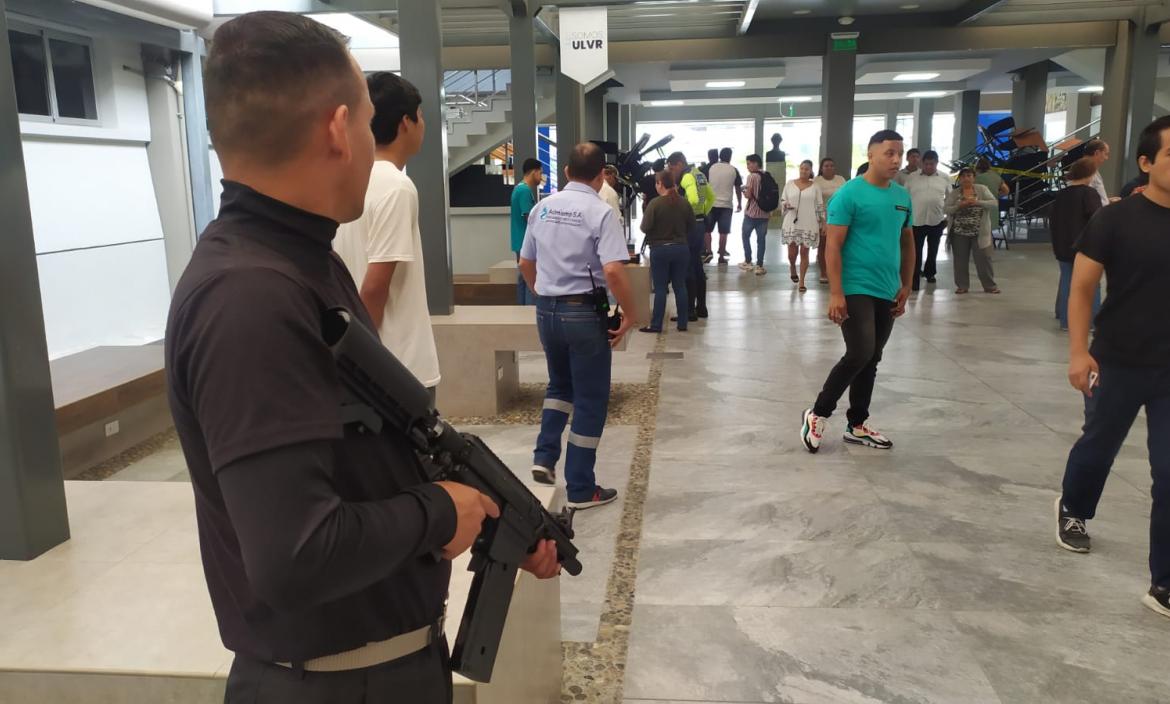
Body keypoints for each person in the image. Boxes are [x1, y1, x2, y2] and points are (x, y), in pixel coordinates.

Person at [165, 13, 559, 703]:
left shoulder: (298, 261)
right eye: (368, 119)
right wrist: (440, 511)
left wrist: (490, 510)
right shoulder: (250, 298)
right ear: (336, 128)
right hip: (336, 685)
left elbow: (363, 452)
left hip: (375, 671)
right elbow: (294, 555)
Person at [1054, 115, 1170, 620]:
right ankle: (1074, 509)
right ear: (1147, 164)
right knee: (1098, 446)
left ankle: (1164, 582)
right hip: (1118, 359)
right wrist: (1080, 352)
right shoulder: (1115, 219)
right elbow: (1082, 289)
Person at [521, 142, 639, 509]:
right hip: (584, 314)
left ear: (568, 172)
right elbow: (614, 270)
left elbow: (525, 262)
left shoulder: (542, 208)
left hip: (547, 311)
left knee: (559, 386)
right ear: (603, 174)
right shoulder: (601, 213)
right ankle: (581, 488)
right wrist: (632, 314)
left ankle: (544, 458)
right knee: (590, 400)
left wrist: (543, 292)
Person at [800, 130, 914, 454]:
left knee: (873, 357)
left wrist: (906, 284)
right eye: (889, 153)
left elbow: (907, 243)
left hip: (887, 287)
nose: (896, 160)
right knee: (860, 351)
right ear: (871, 153)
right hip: (855, 286)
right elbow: (832, 246)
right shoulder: (849, 194)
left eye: (900, 154)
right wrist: (836, 293)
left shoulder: (902, 196)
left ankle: (857, 424)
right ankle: (818, 413)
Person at [335, 72, 441, 401]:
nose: (423, 124)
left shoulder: (347, 181)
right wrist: (367, 362)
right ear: (406, 122)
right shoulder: (396, 187)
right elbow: (375, 284)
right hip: (398, 366)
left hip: (364, 360)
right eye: (421, 115)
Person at [1049, 156, 1103, 331]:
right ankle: (1092, 321)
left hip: (1062, 245)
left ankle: (1066, 322)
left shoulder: (1062, 194)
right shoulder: (1089, 194)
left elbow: (1054, 220)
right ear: (1091, 174)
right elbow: (1097, 220)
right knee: (1091, 284)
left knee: (1066, 282)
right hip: (1085, 247)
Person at [640, 170, 692, 333]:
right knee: (680, 286)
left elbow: (644, 227)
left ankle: (656, 325)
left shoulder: (654, 203)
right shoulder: (684, 202)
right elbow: (692, 226)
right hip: (681, 248)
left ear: (660, 184)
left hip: (660, 250)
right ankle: (683, 323)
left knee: (661, 288)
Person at [667, 151, 710, 321]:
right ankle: (702, 308)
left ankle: (689, 311)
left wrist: (681, 210)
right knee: (697, 266)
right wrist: (702, 212)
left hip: (689, 226)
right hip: (700, 223)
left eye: (672, 168)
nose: (672, 172)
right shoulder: (699, 174)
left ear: (679, 164)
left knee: (686, 268)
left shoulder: (686, 177)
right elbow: (711, 196)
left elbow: (691, 199)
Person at [944, 167, 999, 294]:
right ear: (960, 179)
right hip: (959, 233)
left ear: (974, 178)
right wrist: (959, 206)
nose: (966, 178)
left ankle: (990, 286)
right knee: (960, 261)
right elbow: (946, 209)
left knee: (984, 260)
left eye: (969, 175)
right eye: (963, 176)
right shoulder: (955, 192)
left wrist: (977, 202)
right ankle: (962, 286)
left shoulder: (982, 189)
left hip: (979, 232)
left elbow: (993, 203)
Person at [904, 150, 951, 291]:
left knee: (933, 250)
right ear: (922, 163)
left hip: (936, 220)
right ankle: (914, 279)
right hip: (916, 220)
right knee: (916, 251)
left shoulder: (944, 177)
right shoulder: (912, 177)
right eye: (926, 164)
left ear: (936, 163)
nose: (929, 167)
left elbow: (950, 198)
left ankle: (930, 273)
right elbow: (905, 197)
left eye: (932, 164)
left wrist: (947, 217)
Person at [781, 159, 826, 292]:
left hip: (809, 222)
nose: (803, 171)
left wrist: (823, 221)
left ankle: (802, 281)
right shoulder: (790, 184)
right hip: (791, 222)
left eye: (806, 169)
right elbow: (783, 199)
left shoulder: (815, 186)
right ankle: (792, 266)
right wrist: (786, 205)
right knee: (792, 252)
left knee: (805, 252)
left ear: (811, 171)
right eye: (802, 168)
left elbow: (819, 205)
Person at [508, 158, 543, 305]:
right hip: (525, 241)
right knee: (530, 280)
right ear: (534, 172)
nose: (541, 177)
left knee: (523, 278)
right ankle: (529, 311)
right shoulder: (524, 191)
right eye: (540, 173)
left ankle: (522, 309)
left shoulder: (518, 188)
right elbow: (530, 218)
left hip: (518, 240)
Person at [814, 157, 847, 284]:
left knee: (839, 245)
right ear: (821, 168)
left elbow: (845, 197)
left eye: (831, 165)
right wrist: (821, 220)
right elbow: (815, 201)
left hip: (839, 217)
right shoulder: (817, 181)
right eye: (826, 166)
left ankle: (837, 271)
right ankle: (823, 272)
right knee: (823, 246)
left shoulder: (841, 180)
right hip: (823, 218)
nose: (829, 168)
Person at [741, 153, 774, 276]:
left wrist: (744, 190)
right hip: (764, 213)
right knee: (761, 240)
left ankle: (748, 261)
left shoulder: (752, 177)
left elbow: (749, 195)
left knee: (745, 236)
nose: (748, 166)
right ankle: (759, 265)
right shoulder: (767, 175)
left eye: (749, 163)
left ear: (755, 163)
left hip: (751, 214)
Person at [708, 147, 742, 264]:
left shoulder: (711, 168)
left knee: (707, 230)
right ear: (730, 157)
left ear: (720, 156)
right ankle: (721, 256)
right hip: (726, 206)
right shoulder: (733, 170)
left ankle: (709, 252)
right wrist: (739, 203)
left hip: (711, 204)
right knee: (723, 232)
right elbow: (738, 188)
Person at [1084, 139, 1117, 206]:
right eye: (1106, 154)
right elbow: (1087, 201)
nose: (1106, 158)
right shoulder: (1085, 171)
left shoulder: (1093, 170)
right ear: (1097, 153)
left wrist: (1107, 201)